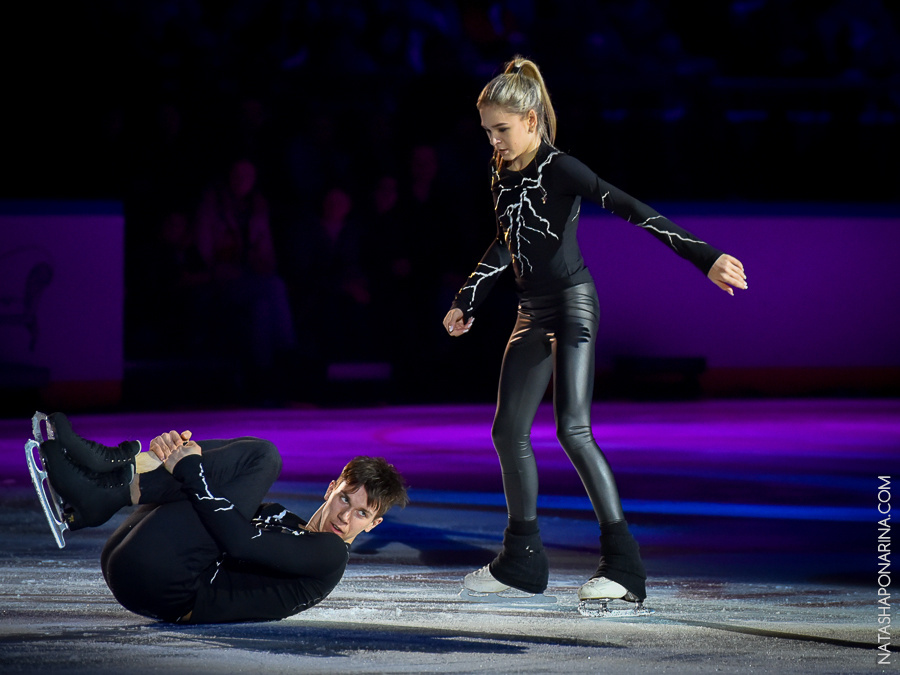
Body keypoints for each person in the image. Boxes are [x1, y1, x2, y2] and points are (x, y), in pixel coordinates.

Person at [442, 56, 747, 608]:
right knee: (507, 431)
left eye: (502, 130)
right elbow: (508, 240)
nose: (494, 141)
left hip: (573, 306)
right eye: (487, 131)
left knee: (572, 430)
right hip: (531, 310)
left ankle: (625, 567)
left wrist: (705, 257)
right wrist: (468, 298)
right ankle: (522, 559)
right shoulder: (499, 170)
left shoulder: (562, 168)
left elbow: (633, 208)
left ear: (531, 120)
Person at [35, 413, 408, 624]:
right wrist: (172, 454)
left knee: (263, 458)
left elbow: (239, 542)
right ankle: (107, 481)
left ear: (372, 525)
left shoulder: (330, 554)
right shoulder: (282, 518)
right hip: (135, 564)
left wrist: (190, 467)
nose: (345, 516)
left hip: (168, 588)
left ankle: (109, 481)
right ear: (331, 490)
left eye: (362, 513)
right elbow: (209, 504)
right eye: (345, 499)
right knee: (225, 473)